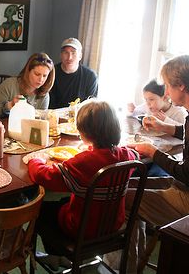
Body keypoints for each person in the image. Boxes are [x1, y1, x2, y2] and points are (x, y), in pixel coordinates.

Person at [125, 55, 189, 272]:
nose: (167, 93)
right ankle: (131, 263)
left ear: (182, 86)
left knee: (124, 197)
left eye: (169, 87)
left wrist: (153, 151)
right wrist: (167, 127)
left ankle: (128, 267)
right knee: (126, 186)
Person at [28, 100, 138, 269]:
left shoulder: (83, 163)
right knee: (63, 203)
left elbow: (44, 176)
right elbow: (131, 154)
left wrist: (35, 160)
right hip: (113, 224)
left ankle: (55, 254)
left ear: (85, 133)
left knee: (40, 209)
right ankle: (58, 258)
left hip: (81, 229)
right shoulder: (127, 156)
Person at [0, 52, 55, 118]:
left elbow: (41, 121)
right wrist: (10, 105)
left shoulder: (44, 94)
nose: (41, 79)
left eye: (45, 76)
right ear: (28, 71)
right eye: (37, 74)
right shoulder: (10, 85)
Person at [49, 37, 98, 109]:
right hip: (53, 116)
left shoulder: (90, 76)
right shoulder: (51, 73)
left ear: (80, 56)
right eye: (66, 53)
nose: (69, 58)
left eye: (73, 53)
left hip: (79, 117)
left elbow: (91, 106)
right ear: (61, 55)